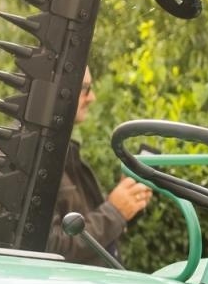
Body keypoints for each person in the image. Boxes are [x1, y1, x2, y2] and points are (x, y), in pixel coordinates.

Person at [46, 68, 152, 265]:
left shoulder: (61, 153)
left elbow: (82, 221)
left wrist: (126, 205)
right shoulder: (26, 161)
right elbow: (49, 248)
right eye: (85, 88)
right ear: (58, 91)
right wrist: (114, 212)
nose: (92, 97)